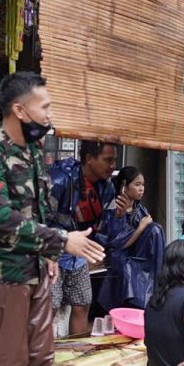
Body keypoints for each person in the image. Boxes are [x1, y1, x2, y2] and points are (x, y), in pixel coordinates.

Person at [0, 71, 105, 366]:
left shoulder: (33, 154)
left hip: (37, 272)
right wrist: (60, 242)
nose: (50, 115)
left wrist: (49, 255)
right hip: (1, 279)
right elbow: (1, 221)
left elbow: (38, 212)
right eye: (45, 107)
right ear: (20, 110)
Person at [49, 141, 117, 334]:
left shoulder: (107, 188)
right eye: (108, 160)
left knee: (82, 304)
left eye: (114, 161)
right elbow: (41, 220)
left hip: (79, 254)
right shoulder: (60, 181)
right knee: (49, 308)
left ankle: (76, 352)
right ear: (89, 159)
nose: (112, 166)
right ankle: (43, 358)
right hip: (52, 252)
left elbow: (105, 225)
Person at [96, 166, 165, 311]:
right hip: (119, 253)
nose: (141, 189)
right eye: (137, 185)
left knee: (155, 230)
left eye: (143, 185)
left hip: (137, 253)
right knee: (126, 265)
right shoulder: (113, 209)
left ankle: (160, 285)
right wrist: (140, 228)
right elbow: (118, 244)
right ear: (124, 187)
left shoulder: (140, 209)